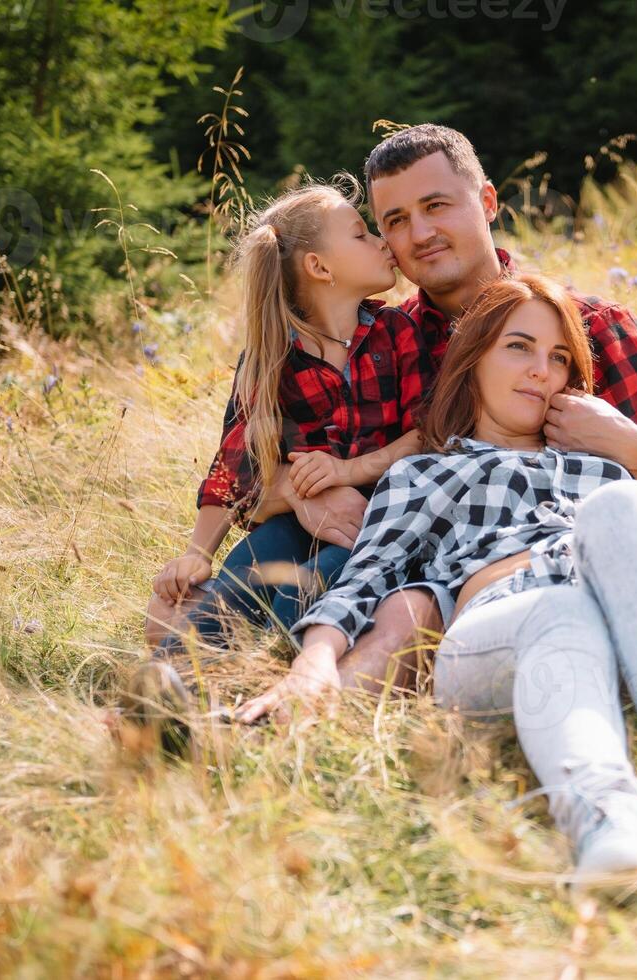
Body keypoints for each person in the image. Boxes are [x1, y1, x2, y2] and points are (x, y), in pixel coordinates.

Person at [236, 274, 637, 889]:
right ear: (473, 360)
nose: (540, 370)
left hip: (634, 634)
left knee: (624, 507)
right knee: (561, 611)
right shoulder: (424, 473)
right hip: (504, 630)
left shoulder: (604, 467)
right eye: (518, 347)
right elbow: (366, 579)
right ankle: (608, 822)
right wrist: (314, 662)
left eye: (559, 357)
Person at [300, 123, 637, 697]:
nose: (420, 233)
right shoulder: (381, 340)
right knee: (319, 570)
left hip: (576, 571)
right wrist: (303, 490)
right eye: (396, 221)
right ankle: (221, 676)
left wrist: (623, 440)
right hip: (427, 584)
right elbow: (291, 459)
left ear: (487, 202)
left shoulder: (589, 325)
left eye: (436, 206)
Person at [124, 177, 430, 748]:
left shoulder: (398, 333)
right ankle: (160, 691)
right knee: (244, 576)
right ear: (320, 267)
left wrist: (347, 472)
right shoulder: (272, 355)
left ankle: (251, 706)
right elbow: (234, 464)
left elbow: (428, 433)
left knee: (313, 590)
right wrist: (197, 551)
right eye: (363, 234)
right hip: (289, 524)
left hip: (378, 524)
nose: (383, 243)